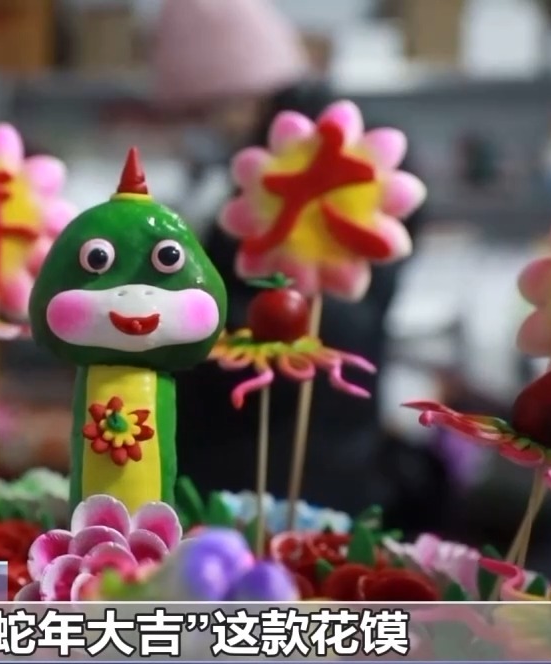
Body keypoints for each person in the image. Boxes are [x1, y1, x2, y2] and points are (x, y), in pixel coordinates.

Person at [151, 0, 449, 528]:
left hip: (293, 454)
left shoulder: (323, 168)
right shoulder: (259, 171)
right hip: (300, 445)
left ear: (242, 91)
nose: (207, 128)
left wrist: (189, 328)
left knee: (294, 566)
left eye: (207, 110)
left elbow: (334, 319)